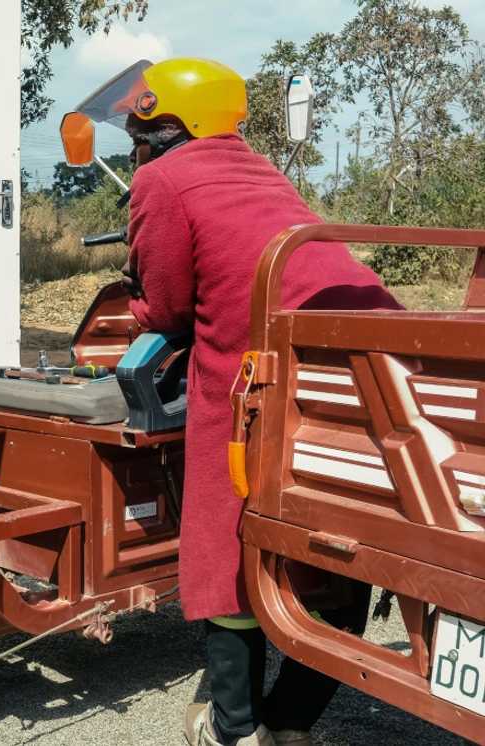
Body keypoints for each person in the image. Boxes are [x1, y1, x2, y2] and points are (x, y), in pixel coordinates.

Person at [106, 58, 401, 746]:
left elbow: (170, 305)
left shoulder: (161, 178)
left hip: (266, 372)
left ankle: (235, 729)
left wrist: (137, 296)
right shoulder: (261, 168)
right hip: (371, 358)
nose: (135, 148)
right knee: (338, 541)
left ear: (170, 126)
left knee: (227, 545)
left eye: (139, 132)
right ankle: (291, 722)